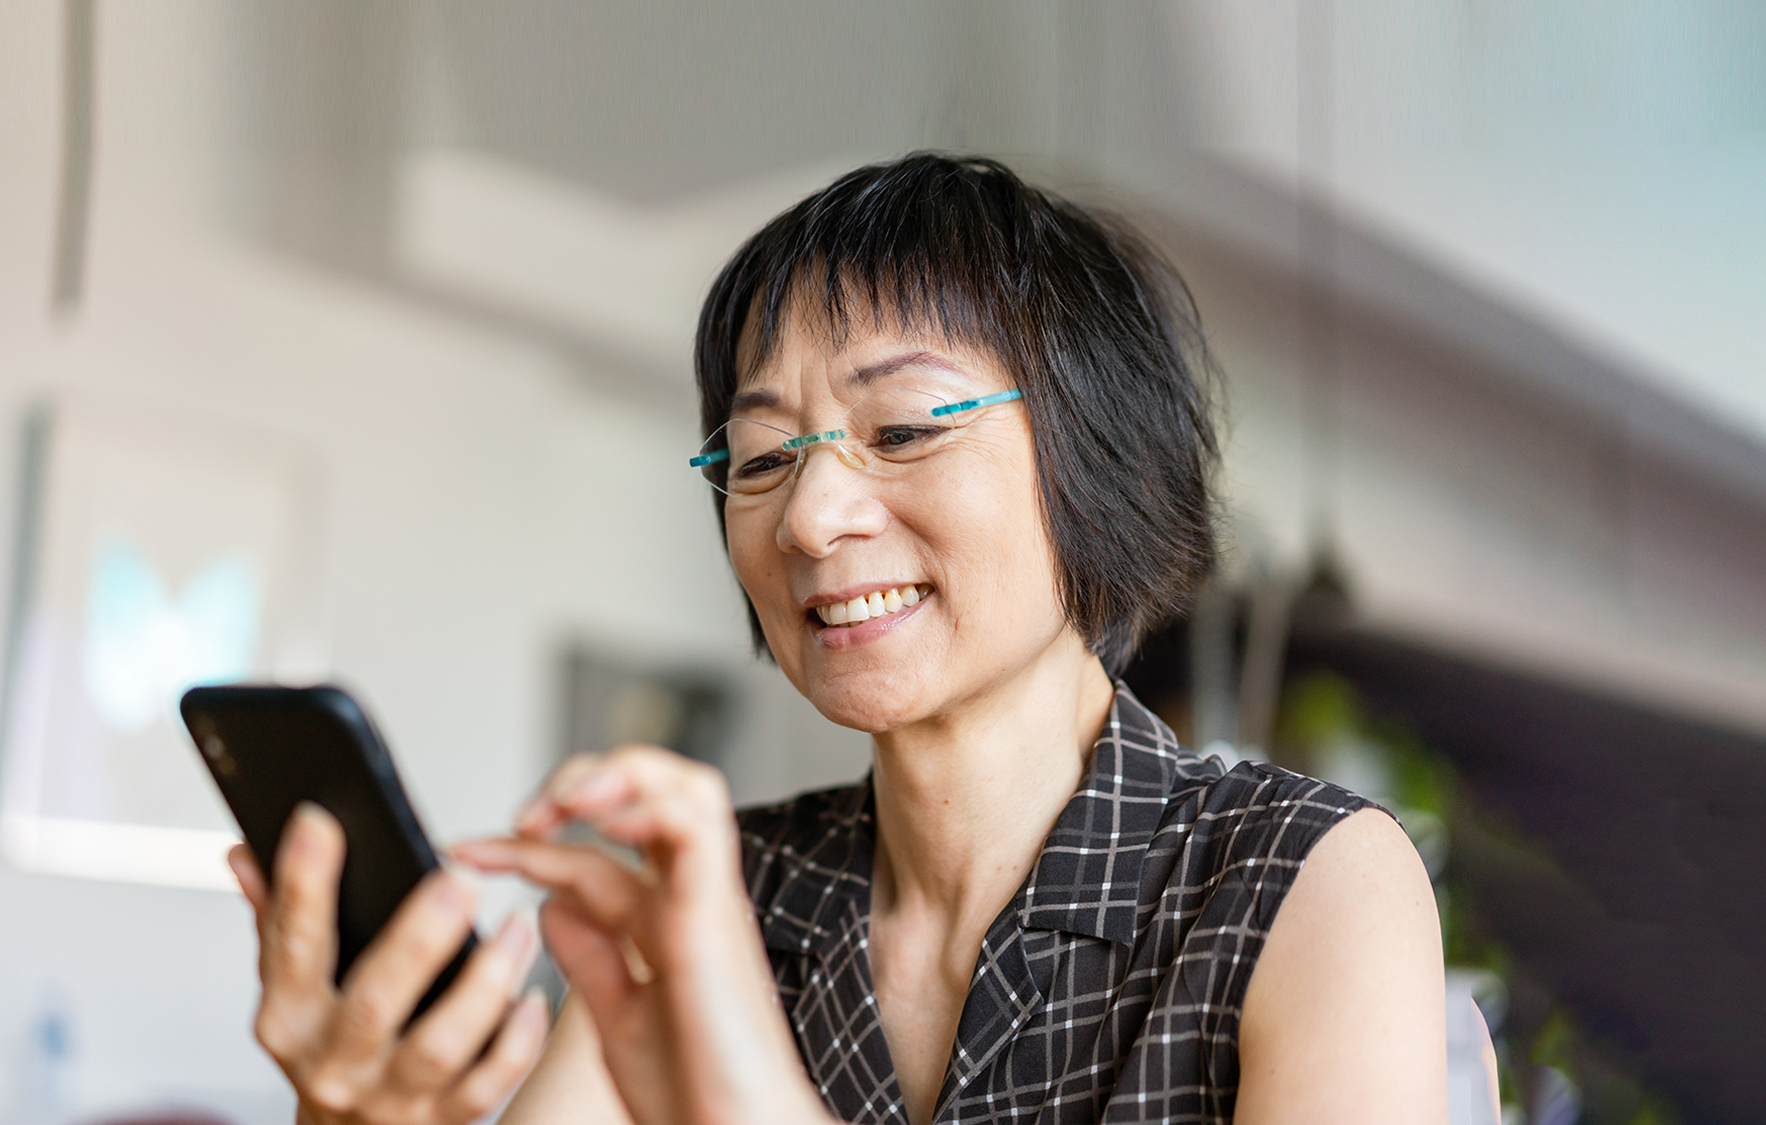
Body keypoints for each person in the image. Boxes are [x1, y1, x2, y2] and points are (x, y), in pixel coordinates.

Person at [226, 154, 1448, 1124]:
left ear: (1100, 459)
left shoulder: (1301, 880)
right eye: (760, 458)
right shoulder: (719, 900)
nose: (808, 518)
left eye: (904, 429)